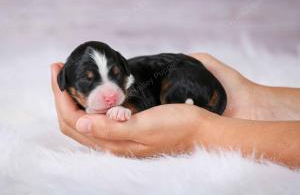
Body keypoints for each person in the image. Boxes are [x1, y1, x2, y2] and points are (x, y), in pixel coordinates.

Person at [51, 53, 300, 168]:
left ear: (123, 70)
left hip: (184, 75)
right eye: (89, 80)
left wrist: (200, 132)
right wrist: (255, 102)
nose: (108, 93)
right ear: (66, 81)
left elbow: (138, 101)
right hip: (182, 72)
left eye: (115, 78)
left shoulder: (132, 90)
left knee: (173, 89)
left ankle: (196, 105)